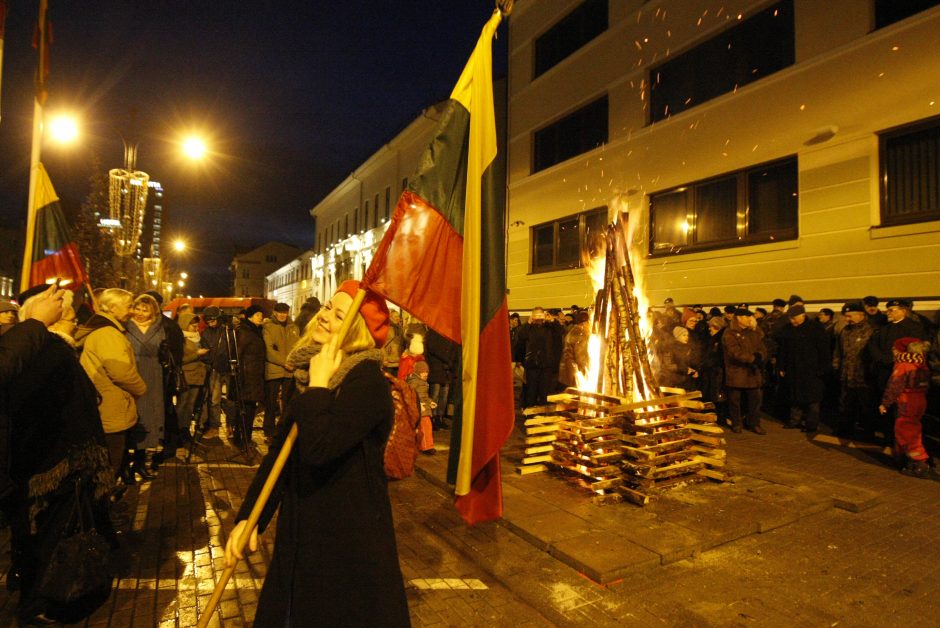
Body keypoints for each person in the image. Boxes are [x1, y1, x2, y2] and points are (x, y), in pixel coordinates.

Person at [224, 280, 409, 626]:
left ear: (356, 331)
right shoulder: (310, 371)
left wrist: (320, 389)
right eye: (327, 307)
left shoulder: (366, 382)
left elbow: (320, 448)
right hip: (303, 524)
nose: (325, 317)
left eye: (339, 315)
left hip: (346, 538)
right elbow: (283, 453)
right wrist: (252, 517)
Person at [2, 288, 113, 625]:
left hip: (57, 463)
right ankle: (39, 603)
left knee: (43, 537)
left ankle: (39, 598)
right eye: (65, 309)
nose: (74, 315)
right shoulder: (41, 351)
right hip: (52, 464)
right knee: (45, 539)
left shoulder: (52, 347)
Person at [76, 289, 146, 485]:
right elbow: (121, 372)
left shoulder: (105, 330)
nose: (132, 310)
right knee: (109, 464)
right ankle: (104, 509)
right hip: (110, 408)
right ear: (112, 307)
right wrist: (141, 389)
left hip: (105, 405)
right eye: (129, 305)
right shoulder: (108, 334)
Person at [124, 294, 167, 479]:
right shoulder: (124, 326)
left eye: (145, 309)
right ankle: (125, 466)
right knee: (129, 418)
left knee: (148, 418)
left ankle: (140, 463)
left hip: (153, 377)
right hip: (131, 373)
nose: (140, 313)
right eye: (138, 308)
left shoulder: (160, 328)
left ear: (153, 311)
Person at [879, 338, 931, 477]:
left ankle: (919, 462)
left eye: (894, 349)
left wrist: (885, 403)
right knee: (914, 429)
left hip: (906, 401)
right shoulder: (922, 363)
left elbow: (894, 386)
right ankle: (906, 460)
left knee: (906, 431)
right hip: (920, 399)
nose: (893, 351)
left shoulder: (903, 365)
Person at [777, 305, 830, 434]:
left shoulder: (816, 328)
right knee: (794, 396)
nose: (792, 321)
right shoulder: (787, 330)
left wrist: (822, 368)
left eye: (794, 318)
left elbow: (824, 350)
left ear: (803, 315)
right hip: (793, 369)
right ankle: (794, 421)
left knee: (812, 399)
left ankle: (811, 424)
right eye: (790, 319)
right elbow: (782, 350)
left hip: (812, 370)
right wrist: (781, 366)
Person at [833, 302, 876, 439]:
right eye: (846, 316)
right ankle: (845, 430)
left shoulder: (872, 330)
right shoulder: (845, 331)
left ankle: (868, 433)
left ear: (861, 314)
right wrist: (836, 366)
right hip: (846, 375)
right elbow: (838, 352)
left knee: (866, 407)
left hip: (864, 377)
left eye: (850, 316)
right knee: (846, 404)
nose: (847, 319)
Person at [722, 308, 766, 434]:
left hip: (752, 372)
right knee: (735, 401)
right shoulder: (730, 333)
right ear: (739, 318)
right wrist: (752, 358)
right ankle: (736, 423)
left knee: (755, 401)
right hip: (736, 372)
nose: (750, 319)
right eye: (747, 317)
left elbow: (762, 347)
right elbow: (734, 352)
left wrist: (760, 356)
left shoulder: (753, 332)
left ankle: (754, 423)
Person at [262, 303, 299, 439]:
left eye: (285, 312)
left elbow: (297, 347)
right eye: (280, 312)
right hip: (274, 370)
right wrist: (285, 363)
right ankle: (269, 431)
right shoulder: (268, 327)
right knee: (271, 403)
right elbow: (269, 350)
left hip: (290, 371)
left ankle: (283, 430)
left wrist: (293, 362)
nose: (283, 315)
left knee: (287, 402)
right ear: (275, 312)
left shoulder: (294, 327)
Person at [234, 305, 266, 446]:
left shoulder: (255, 330)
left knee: (249, 408)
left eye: (261, 315)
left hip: (253, 375)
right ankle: (243, 439)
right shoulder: (246, 332)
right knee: (246, 409)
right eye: (258, 314)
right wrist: (240, 375)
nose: (261, 317)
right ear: (249, 317)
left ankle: (243, 437)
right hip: (247, 376)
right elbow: (238, 353)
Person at [199, 307, 231, 439]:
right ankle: (214, 427)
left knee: (231, 399)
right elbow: (205, 350)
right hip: (215, 368)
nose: (210, 322)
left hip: (229, 368)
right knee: (214, 399)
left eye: (212, 320)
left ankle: (231, 425)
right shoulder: (206, 333)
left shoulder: (228, 330)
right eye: (207, 320)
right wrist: (209, 360)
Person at [513, 307, 555, 408]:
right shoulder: (528, 328)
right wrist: (528, 323)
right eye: (536, 315)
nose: (539, 318)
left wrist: (552, 320)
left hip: (546, 364)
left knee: (544, 391)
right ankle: (530, 412)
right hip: (532, 364)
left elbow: (560, 332)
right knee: (531, 390)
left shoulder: (549, 327)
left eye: (540, 315)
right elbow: (521, 336)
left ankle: (542, 413)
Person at [176, 313, 209, 438]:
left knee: (191, 405)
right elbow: (180, 359)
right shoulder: (180, 338)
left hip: (198, 376)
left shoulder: (198, 337)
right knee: (182, 403)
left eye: (196, 326)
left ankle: (185, 429)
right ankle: (178, 430)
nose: (195, 329)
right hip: (185, 376)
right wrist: (197, 353)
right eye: (193, 326)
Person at [424, 328, 458, 430]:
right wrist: (448, 359)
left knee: (444, 395)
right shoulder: (433, 333)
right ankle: (433, 418)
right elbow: (434, 349)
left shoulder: (447, 333)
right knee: (435, 395)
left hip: (446, 369)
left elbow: (453, 349)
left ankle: (439, 417)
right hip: (437, 368)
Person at [407, 360, 436, 454]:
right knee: (425, 427)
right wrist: (418, 405)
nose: (426, 373)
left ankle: (420, 445)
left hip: (423, 408)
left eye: (427, 372)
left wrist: (430, 402)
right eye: (424, 371)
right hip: (420, 409)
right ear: (418, 372)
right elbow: (411, 395)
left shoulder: (422, 382)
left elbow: (424, 396)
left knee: (422, 428)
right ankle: (427, 447)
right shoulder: (415, 382)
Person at [558, 310, 590, 388]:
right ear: (585, 322)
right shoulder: (580, 334)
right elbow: (581, 357)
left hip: (567, 372)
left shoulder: (573, 331)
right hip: (575, 374)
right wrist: (586, 372)